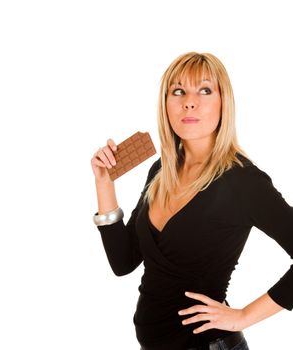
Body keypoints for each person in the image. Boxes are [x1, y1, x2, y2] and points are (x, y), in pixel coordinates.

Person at [90, 52, 293, 350]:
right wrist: (103, 183)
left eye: (205, 90)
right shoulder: (162, 171)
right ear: (166, 103)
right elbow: (123, 261)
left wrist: (243, 317)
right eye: (178, 91)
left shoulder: (243, 181)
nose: (189, 101)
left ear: (224, 103)